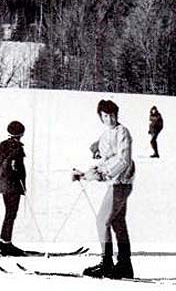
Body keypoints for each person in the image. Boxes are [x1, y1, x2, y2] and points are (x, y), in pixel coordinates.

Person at [72, 99, 135, 280]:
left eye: (112, 115)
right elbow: (106, 161)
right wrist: (86, 174)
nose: (110, 119)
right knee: (117, 222)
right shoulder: (106, 134)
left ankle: (107, 263)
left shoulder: (122, 132)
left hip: (120, 182)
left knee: (102, 221)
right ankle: (124, 265)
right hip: (116, 182)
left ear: (117, 115)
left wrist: (104, 173)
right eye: (105, 116)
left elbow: (123, 160)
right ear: (101, 117)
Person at [0, 120, 27, 257]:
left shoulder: (2, 145)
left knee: (9, 213)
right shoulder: (16, 147)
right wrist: (22, 184)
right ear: (21, 134)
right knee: (11, 213)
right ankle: (6, 244)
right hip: (13, 185)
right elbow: (18, 168)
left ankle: (4, 241)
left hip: (4, 185)